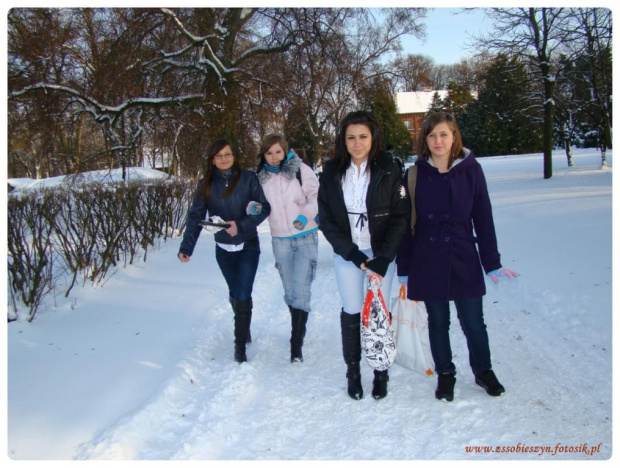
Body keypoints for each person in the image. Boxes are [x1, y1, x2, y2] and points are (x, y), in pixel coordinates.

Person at [396, 112, 519, 402]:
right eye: (432, 135)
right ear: (424, 139)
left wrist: (492, 262)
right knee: (438, 322)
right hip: (427, 257)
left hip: (463, 254)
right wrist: (405, 266)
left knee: (474, 321)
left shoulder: (471, 170)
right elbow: (403, 222)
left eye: (444, 134)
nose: (438, 141)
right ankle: (446, 374)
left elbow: (483, 217)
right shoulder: (413, 174)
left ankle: (483, 370)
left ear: (454, 137)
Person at [318, 110, 408, 400]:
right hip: (349, 254)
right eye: (351, 138)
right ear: (343, 140)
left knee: (379, 311)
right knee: (353, 309)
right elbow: (327, 219)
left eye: (363, 137)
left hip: (380, 254)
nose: (357, 144)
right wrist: (352, 254)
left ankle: (381, 371)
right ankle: (353, 371)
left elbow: (400, 216)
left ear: (374, 137)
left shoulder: (389, 168)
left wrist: (384, 257)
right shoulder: (331, 172)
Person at [178, 138, 270, 363]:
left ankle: (240, 348)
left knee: (242, 292)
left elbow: (264, 208)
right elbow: (196, 217)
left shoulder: (248, 178)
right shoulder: (205, 184)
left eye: (227, 154)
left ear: (234, 156)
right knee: (234, 292)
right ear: (212, 160)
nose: (224, 159)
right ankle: (243, 324)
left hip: (248, 244)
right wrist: (187, 246)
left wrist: (241, 225)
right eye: (218, 156)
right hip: (223, 249)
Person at [254, 134, 320, 363]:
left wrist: (305, 215)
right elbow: (258, 204)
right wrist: (253, 207)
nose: (274, 158)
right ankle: (298, 331)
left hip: (305, 237)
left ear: (285, 151)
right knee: (290, 291)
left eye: (278, 152)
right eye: (269, 153)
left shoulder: (301, 170)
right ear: (263, 155)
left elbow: (316, 197)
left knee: (301, 290)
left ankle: (296, 343)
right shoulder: (260, 178)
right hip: (280, 239)